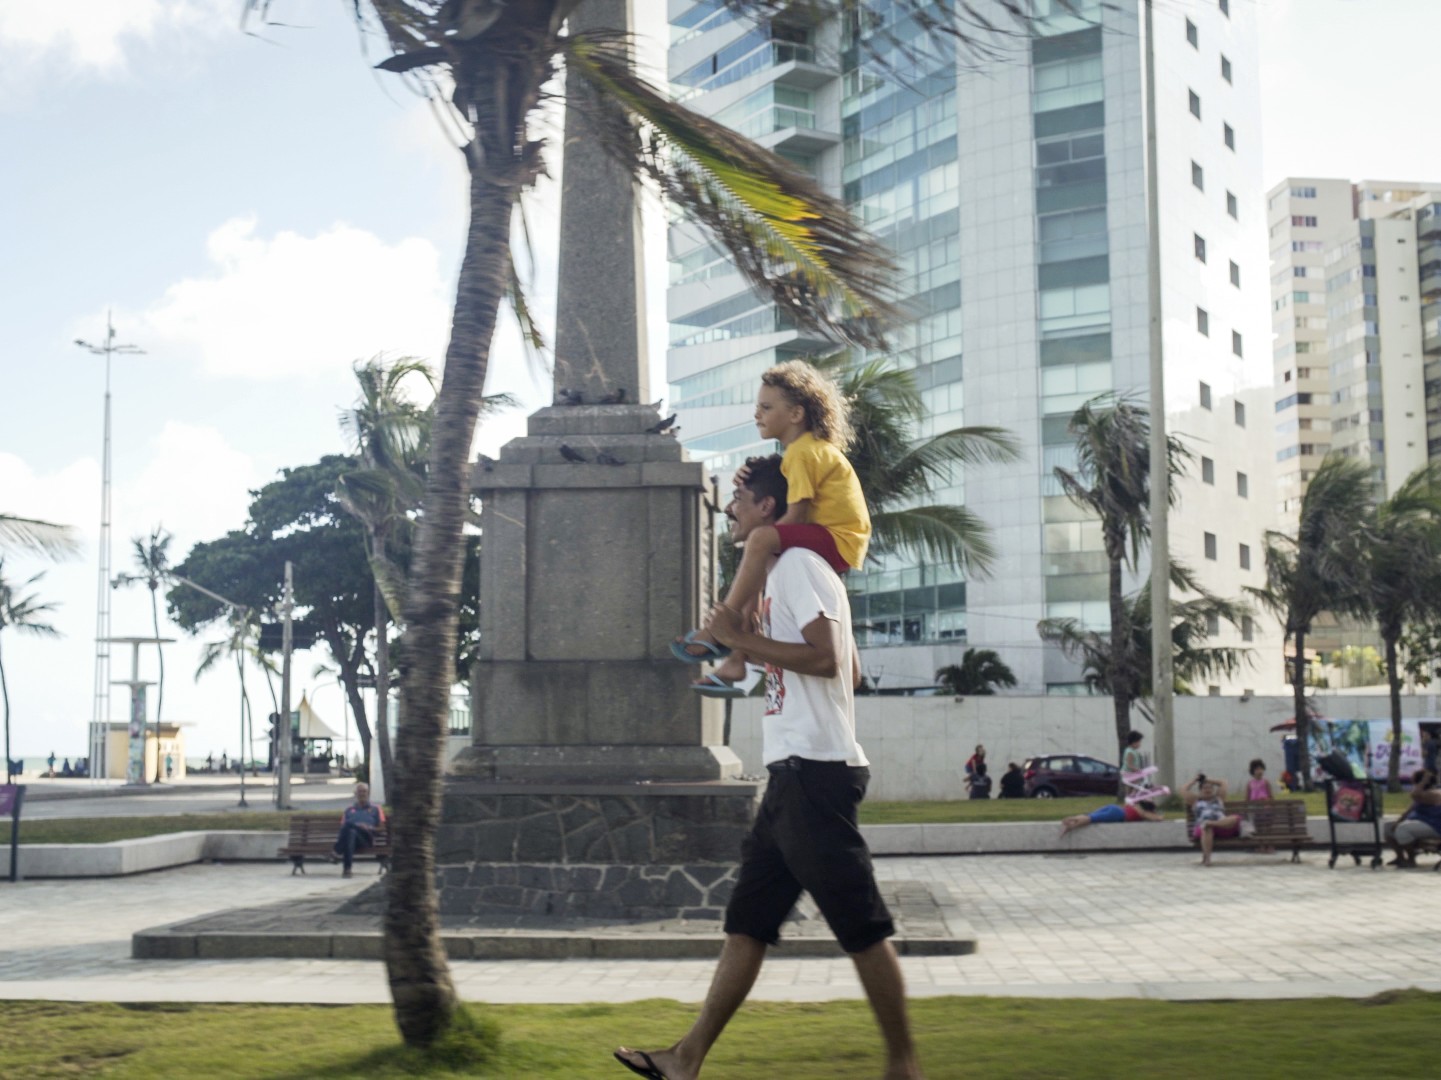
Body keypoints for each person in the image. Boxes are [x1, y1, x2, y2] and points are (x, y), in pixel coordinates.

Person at [616, 454, 923, 1080]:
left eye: (740, 500)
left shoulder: (797, 566)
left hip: (816, 773)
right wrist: (753, 643)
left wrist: (742, 641)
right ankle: (685, 1058)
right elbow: (849, 669)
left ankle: (905, 1066)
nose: (730, 511)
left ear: (768, 509)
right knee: (748, 924)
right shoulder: (789, 575)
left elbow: (829, 660)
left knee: (861, 925)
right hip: (793, 774)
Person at [673, 361, 871, 691]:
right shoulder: (803, 453)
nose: (757, 415)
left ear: (796, 414)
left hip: (838, 539)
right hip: (836, 541)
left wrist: (764, 539)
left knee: (762, 541)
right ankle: (737, 657)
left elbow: (796, 514)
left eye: (766, 407)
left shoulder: (803, 452)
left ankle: (725, 622)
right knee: (763, 556)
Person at [1184, 774, 1243, 867]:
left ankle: (1211, 823)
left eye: (1210, 788)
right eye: (1205, 788)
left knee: (1236, 818)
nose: (1208, 790)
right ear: (1200, 790)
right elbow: (1183, 790)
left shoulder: (1219, 798)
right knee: (1207, 828)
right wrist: (1194, 781)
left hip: (1222, 826)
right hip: (1202, 828)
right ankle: (1207, 859)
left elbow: (1223, 783)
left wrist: (1207, 779)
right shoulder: (1195, 800)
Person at [1387, 770, 1441, 869]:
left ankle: (1411, 859)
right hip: (1425, 823)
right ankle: (1400, 857)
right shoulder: (1421, 796)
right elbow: (1408, 811)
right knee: (1389, 827)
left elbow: (1414, 794)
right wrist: (1398, 821)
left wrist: (1424, 780)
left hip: (1435, 826)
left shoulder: (1435, 793)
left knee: (1403, 829)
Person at [331, 782, 385, 878]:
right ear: (356, 794)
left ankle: (336, 852)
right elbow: (343, 829)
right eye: (360, 792)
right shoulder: (349, 810)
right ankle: (347, 870)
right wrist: (356, 826)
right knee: (350, 832)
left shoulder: (376, 809)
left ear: (368, 793)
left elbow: (382, 828)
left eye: (364, 791)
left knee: (350, 826)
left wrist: (369, 827)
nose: (362, 794)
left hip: (366, 838)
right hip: (352, 840)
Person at [1059, 799, 1163, 836]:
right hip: (1118, 815)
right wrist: (1157, 815)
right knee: (1092, 819)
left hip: (1115, 808)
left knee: (1090, 815)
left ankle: (1072, 822)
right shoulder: (1143, 813)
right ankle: (1071, 821)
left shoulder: (1136, 806)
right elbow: (1158, 819)